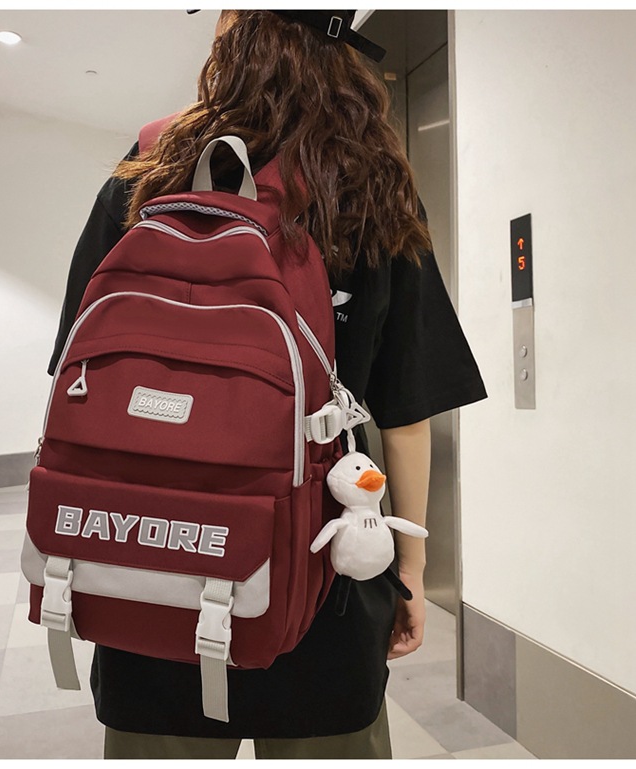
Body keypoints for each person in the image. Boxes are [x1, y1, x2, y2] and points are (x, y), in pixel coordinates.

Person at [47, 10, 487, 760]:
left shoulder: (152, 162)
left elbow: (74, 364)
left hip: (154, 554)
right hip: (325, 570)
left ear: (233, 35)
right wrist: (409, 571)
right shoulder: (368, 178)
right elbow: (407, 408)